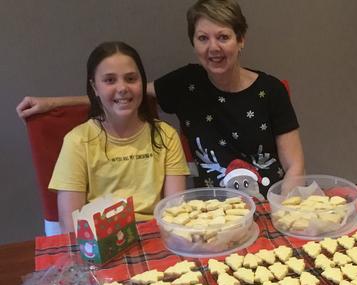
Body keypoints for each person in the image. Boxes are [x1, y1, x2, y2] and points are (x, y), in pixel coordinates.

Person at [18, 0, 305, 199]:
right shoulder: (186, 83)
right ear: (193, 43)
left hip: (273, 203)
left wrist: (281, 209)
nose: (213, 48)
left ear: (241, 40)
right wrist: (52, 104)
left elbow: (295, 167)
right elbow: (124, 93)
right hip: (217, 213)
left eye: (224, 37)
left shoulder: (271, 90)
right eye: (203, 38)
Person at [48, 41, 189, 233]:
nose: (122, 88)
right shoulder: (77, 141)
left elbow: (175, 213)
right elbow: (70, 225)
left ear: (142, 82)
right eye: (110, 80)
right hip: (101, 242)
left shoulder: (166, 135)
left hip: (156, 236)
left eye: (131, 79)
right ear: (94, 87)